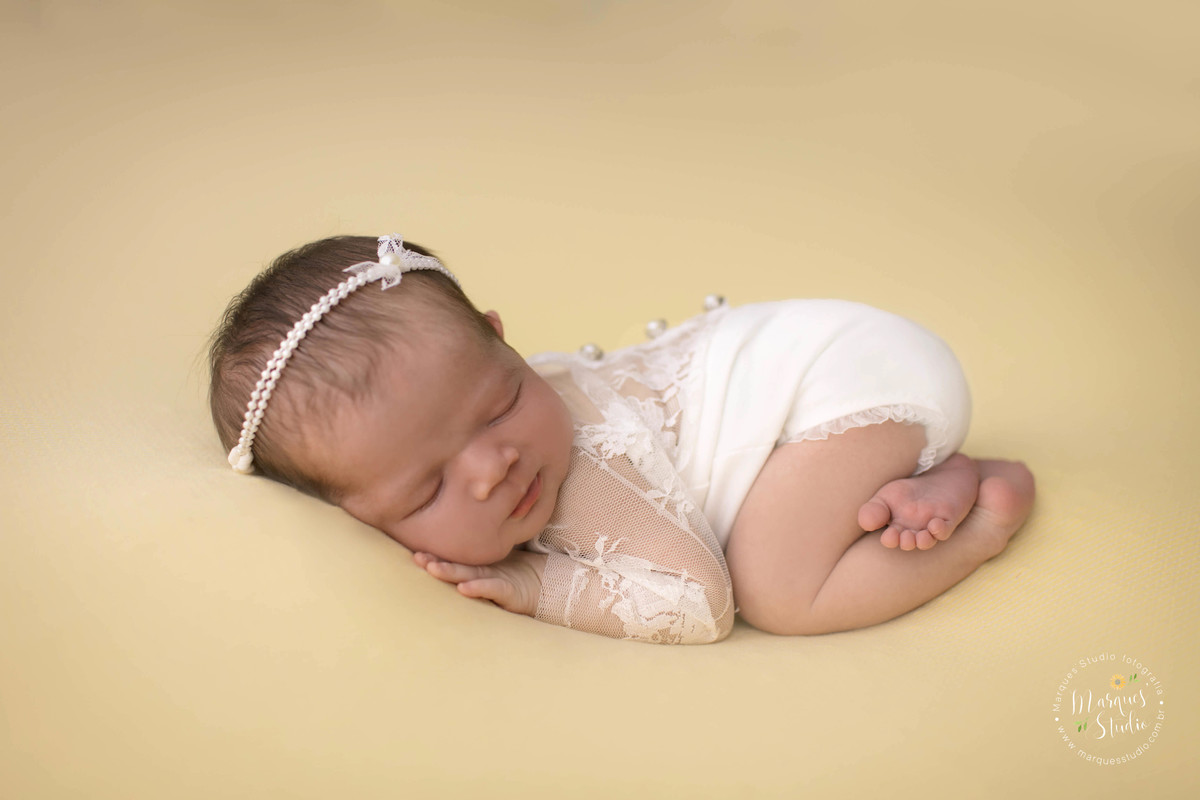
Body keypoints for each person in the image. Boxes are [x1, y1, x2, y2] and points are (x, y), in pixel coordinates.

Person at [208, 234, 1035, 645]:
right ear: (355, 514)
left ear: (504, 339)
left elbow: (700, 602)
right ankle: (926, 474)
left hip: (849, 380)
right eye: (428, 490)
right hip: (840, 362)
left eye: (499, 404)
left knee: (776, 589)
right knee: (780, 521)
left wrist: (542, 590)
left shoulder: (587, 468)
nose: (495, 467)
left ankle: (982, 516)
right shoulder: (503, 439)